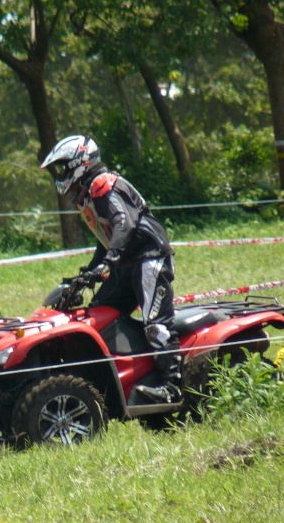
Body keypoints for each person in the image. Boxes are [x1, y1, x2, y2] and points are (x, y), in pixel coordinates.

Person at [41, 134, 182, 404]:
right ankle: (124, 378)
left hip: (148, 258)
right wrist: (89, 272)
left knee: (155, 324)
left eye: (62, 167)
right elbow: (105, 241)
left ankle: (171, 386)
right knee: (100, 315)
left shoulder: (103, 186)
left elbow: (123, 225)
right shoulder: (89, 194)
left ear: (80, 162)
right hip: (126, 264)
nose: (59, 175)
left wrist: (109, 261)